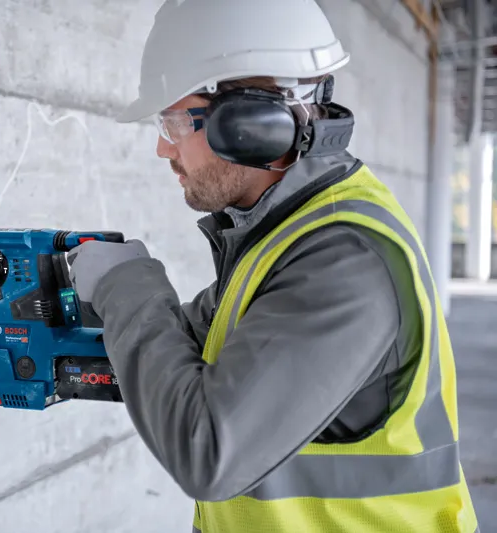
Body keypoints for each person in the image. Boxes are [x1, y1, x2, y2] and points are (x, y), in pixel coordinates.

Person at [65, 0, 480, 531]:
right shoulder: (283, 233)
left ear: (247, 124)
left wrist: (128, 284)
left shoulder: (344, 261)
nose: (162, 148)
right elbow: (193, 348)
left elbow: (209, 452)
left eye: (172, 121)